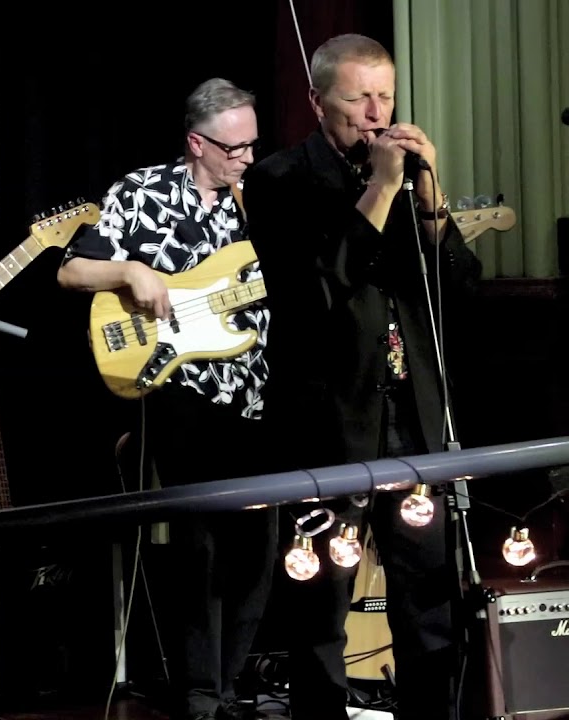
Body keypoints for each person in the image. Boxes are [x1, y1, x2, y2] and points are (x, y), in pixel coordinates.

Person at [242, 33, 481, 720]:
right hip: (328, 423)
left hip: (411, 417)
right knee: (321, 608)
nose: (377, 114)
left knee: (429, 607)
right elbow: (318, 292)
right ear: (318, 102)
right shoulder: (279, 180)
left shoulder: (406, 183)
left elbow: (460, 288)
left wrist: (429, 197)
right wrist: (380, 189)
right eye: (359, 99)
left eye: (386, 97)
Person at [57, 78, 276, 720]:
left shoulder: (262, 200)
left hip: (256, 390)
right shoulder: (142, 191)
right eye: (234, 148)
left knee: (259, 547)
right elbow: (72, 269)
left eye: (253, 145)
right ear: (196, 143)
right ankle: (200, 692)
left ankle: (228, 685)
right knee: (200, 543)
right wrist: (130, 269)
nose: (246, 158)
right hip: (179, 387)